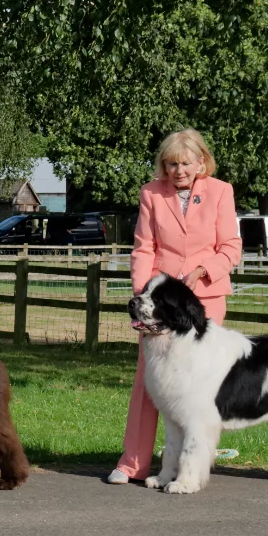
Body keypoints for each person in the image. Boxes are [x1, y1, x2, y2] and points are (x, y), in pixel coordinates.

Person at [108, 128, 242, 485]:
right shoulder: (151, 193)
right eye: (170, 164)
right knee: (148, 380)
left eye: (185, 163)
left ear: (201, 162)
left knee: (199, 386)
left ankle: (190, 464)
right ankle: (133, 463)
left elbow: (231, 247)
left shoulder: (221, 192)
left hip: (206, 300)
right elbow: (143, 248)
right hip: (160, 304)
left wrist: (204, 270)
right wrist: (145, 294)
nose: (178, 170)